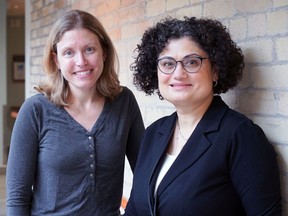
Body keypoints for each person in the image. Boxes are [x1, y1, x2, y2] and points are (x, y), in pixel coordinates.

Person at [124, 17, 282, 216]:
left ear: (215, 71)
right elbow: (135, 210)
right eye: (167, 63)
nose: (178, 73)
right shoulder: (153, 133)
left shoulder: (240, 136)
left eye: (191, 62)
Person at [6, 9, 144, 216]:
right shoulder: (35, 111)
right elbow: (17, 197)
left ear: (104, 52)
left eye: (89, 49)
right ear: (56, 60)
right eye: (69, 52)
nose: (81, 61)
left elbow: (146, 174)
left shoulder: (124, 102)